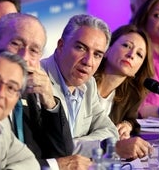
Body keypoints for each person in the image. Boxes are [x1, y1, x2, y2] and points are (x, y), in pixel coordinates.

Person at [41, 14, 151, 160]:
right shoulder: (39, 81)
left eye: (97, 54)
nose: (88, 61)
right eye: (81, 48)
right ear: (61, 46)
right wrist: (107, 147)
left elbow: (110, 131)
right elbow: (48, 147)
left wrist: (77, 144)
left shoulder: (88, 84)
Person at [0, 12, 81, 169]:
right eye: (16, 44)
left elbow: (63, 152)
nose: (24, 57)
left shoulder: (30, 90)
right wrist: (55, 166)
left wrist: (49, 99)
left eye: (33, 50)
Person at [94, 24, 154, 139]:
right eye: (126, 45)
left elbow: (132, 119)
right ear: (107, 49)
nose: (131, 55)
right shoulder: (83, 80)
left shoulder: (132, 95)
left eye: (139, 54)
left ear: (138, 69)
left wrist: (127, 125)